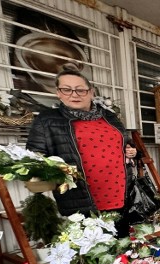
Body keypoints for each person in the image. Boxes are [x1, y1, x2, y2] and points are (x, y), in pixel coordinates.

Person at [26, 64, 137, 237]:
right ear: (58, 93)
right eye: (67, 89)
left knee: (122, 247)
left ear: (91, 92)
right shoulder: (48, 120)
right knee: (92, 252)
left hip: (119, 192)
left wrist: (131, 151)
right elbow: (34, 157)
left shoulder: (109, 116)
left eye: (80, 90)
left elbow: (126, 143)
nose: (74, 94)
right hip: (81, 197)